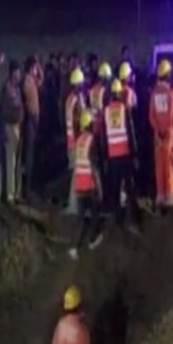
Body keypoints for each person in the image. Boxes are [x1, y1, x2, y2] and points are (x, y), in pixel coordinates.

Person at [103, 79, 142, 234]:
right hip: (125, 153)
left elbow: (104, 136)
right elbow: (130, 132)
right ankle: (135, 218)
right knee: (130, 187)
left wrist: (105, 156)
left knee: (115, 188)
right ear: (120, 93)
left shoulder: (106, 111)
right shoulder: (124, 109)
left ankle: (118, 218)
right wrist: (135, 153)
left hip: (112, 155)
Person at [68, 111, 104, 260]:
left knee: (81, 218)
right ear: (90, 124)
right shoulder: (92, 140)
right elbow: (93, 164)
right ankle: (92, 240)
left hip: (79, 183)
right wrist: (98, 186)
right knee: (95, 212)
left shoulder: (79, 141)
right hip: (89, 183)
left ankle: (74, 248)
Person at [148, 59, 173, 212]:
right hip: (168, 136)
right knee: (169, 166)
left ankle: (160, 195)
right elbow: (172, 115)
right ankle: (170, 196)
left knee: (159, 167)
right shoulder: (171, 93)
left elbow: (151, 116)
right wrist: (166, 131)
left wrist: (158, 130)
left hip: (157, 137)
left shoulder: (153, 94)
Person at [0, 60, 24, 206]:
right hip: (9, 127)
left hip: (18, 127)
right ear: (13, 72)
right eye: (17, 72)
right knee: (11, 161)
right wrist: (3, 130)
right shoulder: (6, 89)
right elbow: (3, 111)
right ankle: (9, 195)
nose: (19, 75)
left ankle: (17, 193)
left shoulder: (17, 89)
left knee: (17, 162)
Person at [64, 68, 87, 215]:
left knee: (77, 172)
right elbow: (77, 121)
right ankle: (73, 205)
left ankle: (76, 204)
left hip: (73, 141)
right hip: (75, 142)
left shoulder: (72, 99)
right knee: (76, 173)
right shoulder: (75, 100)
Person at [22, 56, 42, 202]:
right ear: (30, 68)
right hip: (30, 120)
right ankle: (27, 187)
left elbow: (41, 80)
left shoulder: (32, 80)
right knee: (29, 154)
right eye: (35, 67)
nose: (37, 70)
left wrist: (38, 65)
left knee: (32, 152)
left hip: (33, 119)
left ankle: (29, 186)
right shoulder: (27, 82)